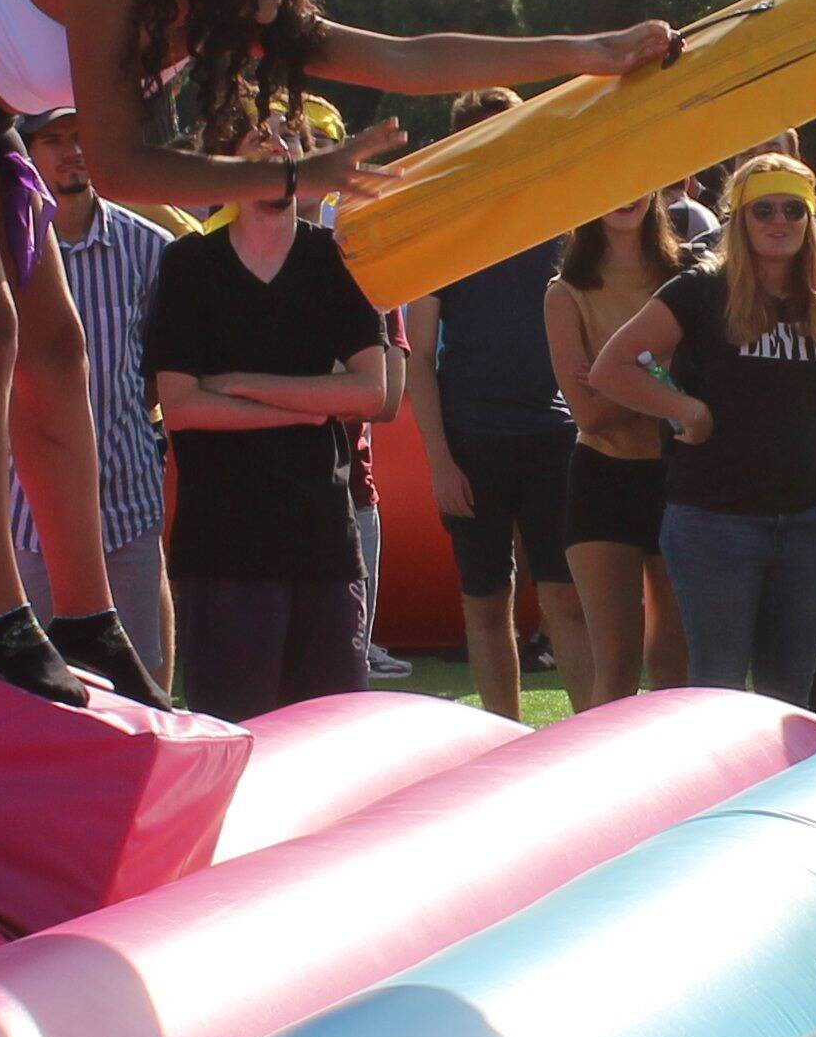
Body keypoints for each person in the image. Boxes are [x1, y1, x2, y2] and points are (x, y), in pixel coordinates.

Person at [0, 0, 668, 709]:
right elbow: (124, 167)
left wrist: (590, 49)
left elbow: (403, 59)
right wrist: (296, 178)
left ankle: (85, 616)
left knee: (58, 352)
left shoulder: (225, 8)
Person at [596, 156, 816, 698]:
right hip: (713, 520)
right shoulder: (701, 289)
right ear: (739, 219)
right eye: (764, 210)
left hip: (802, 521)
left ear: (810, 219)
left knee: (791, 693)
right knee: (717, 688)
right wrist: (685, 410)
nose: (780, 221)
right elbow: (613, 367)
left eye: (794, 210)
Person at [143, 126, 394, 717]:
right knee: (238, 734)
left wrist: (244, 386)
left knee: (330, 739)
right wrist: (311, 405)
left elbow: (370, 392)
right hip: (223, 548)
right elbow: (181, 407)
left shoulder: (334, 257)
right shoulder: (189, 264)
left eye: (286, 153)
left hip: (324, 543)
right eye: (254, 151)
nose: (275, 163)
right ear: (223, 169)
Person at [406, 93, 594, 723]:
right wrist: (438, 460)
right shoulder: (444, 231)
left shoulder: (562, 225)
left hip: (554, 437)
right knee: (486, 601)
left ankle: (594, 734)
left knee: (566, 596)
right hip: (470, 442)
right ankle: (501, 738)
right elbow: (418, 356)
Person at [14, 106, 179, 695]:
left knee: (142, 674)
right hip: (28, 505)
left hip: (127, 494)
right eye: (53, 140)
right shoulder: (2, 254)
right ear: (27, 154)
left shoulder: (151, 249)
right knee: (36, 691)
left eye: (82, 136)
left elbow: (164, 368)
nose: (70, 152)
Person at [548, 195, 690, 705]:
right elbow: (588, 415)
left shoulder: (688, 274)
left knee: (676, 666)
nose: (625, 196)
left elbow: (712, 387)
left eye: (636, 183)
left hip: (681, 478)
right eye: (609, 185)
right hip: (603, 478)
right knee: (615, 669)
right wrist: (664, 380)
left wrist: (615, 379)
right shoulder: (565, 292)